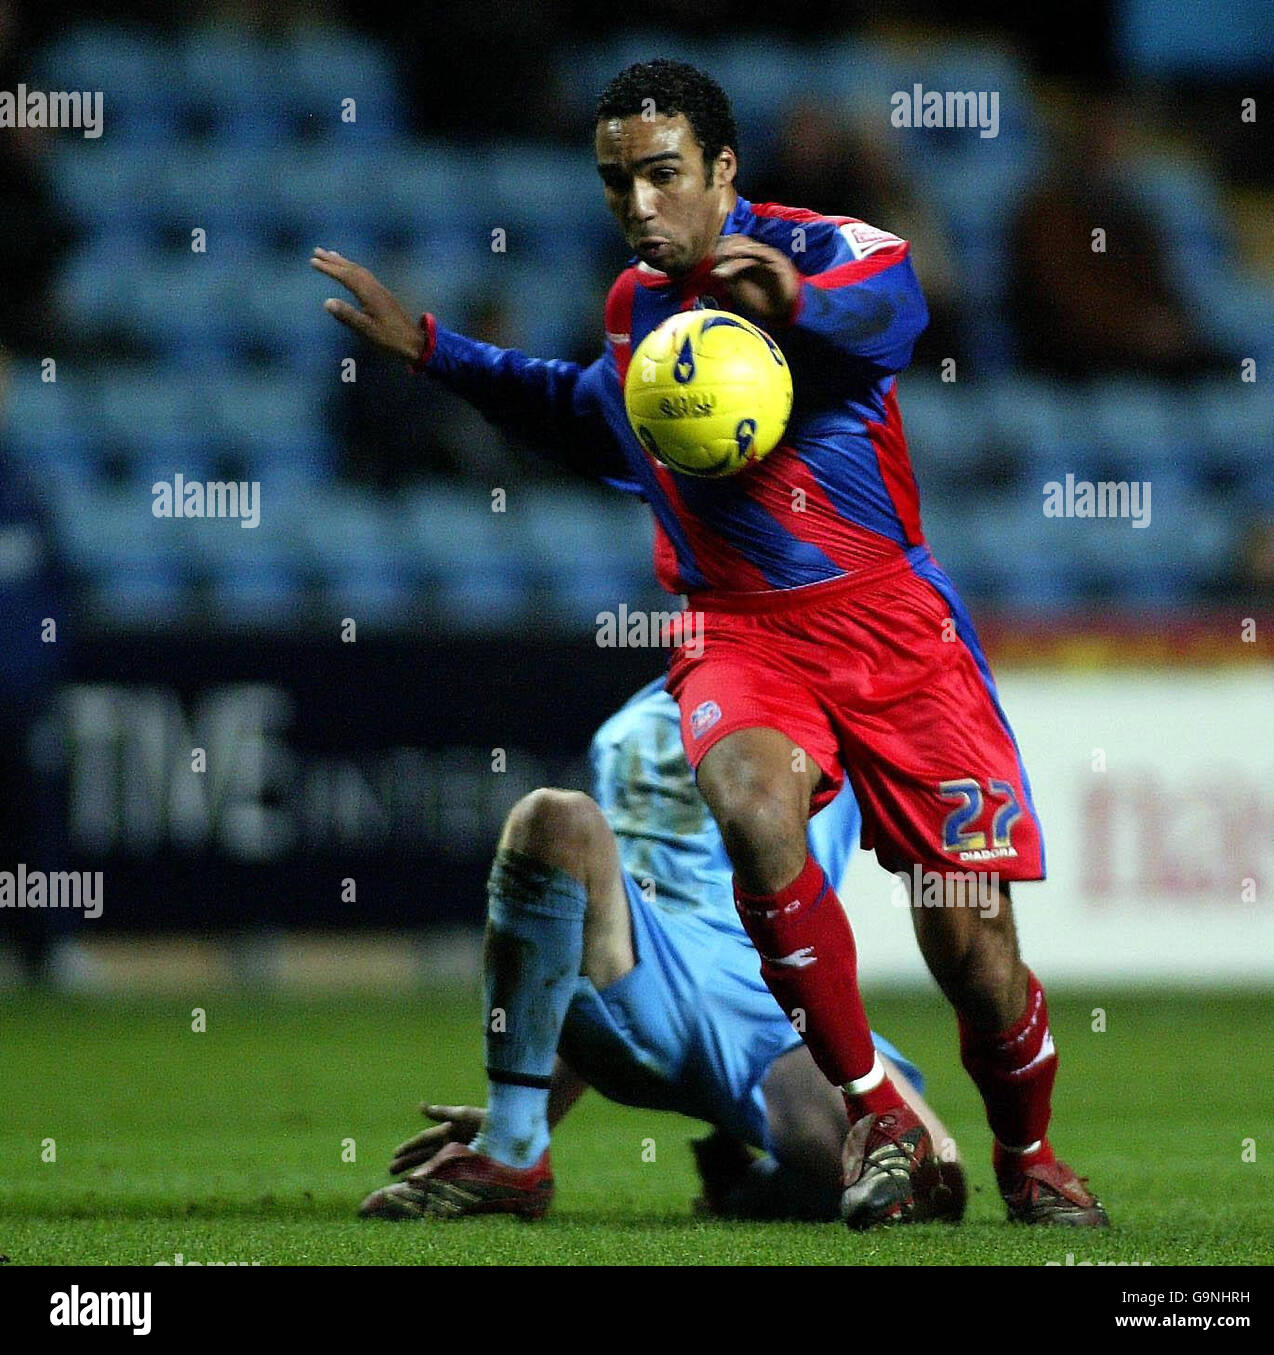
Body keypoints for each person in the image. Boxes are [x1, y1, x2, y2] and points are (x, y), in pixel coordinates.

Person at [313, 58, 1106, 1230]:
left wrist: (792, 303)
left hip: (890, 625)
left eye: (662, 175)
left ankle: (1028, 1154)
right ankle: (872, 1102)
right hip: (741, 629)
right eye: (615, 181)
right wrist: (437, 349)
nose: (638, 205)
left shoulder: (825, 248)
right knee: (747, 797)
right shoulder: (636, 303)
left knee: (972, 943)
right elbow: (595, 417)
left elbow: (902, 308)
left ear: (722, 170)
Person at [359, 678, 965, 1224]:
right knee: (553, 817)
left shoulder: (852, 708)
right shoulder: (632, 722)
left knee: (935, 1183)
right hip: (643, 975)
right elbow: (584, 923)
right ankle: (509, 1154)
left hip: (777, 1009)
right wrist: (527, 1111)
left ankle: (752, 1190)